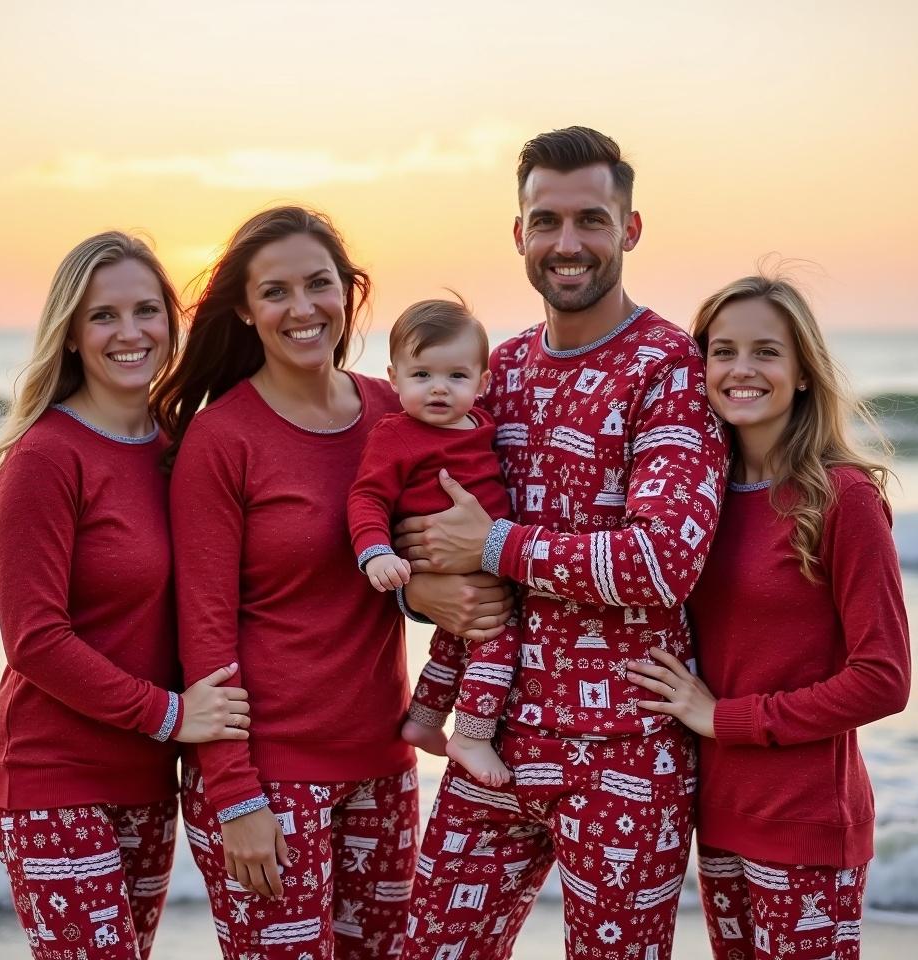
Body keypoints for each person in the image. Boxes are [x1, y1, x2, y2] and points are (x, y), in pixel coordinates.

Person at [396, 127, 730, 959]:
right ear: (519, 234)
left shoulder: (671, 371)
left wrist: (497, 543)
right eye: (546, 221)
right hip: (491, 745)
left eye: (591, 219)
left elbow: (660, 563)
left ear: (631, 228)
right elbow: (423, 524)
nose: (567, 243)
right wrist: (419, 588)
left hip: (627, 756)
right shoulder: (493, 370)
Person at [157, 206, 427, 959]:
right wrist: (235, 796)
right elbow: (204, 631)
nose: (303, 309)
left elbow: (431, 559)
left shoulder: (393, 412)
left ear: (349, 290)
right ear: (244, 309)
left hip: (385, 769)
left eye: (320, 284)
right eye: (276, 292)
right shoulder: (222, 439)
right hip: (268, 783)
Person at [0, 232, 252, 960]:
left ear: (171, 319)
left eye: (146, 311)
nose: (129, 334)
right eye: (103, 316)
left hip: (149, 778)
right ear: (69, 333)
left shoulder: (178, 445)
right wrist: (172, 714)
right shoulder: (44, 458)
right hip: (53, 778)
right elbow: (34, 640)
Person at [625, 274, 911, 959]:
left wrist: (726, 718)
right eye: (722, 352)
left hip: (806, 820)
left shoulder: (843, 499)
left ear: (804, 373)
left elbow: (883, 679)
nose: (741, 370)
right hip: (719, 816)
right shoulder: (697, 502)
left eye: (766, 352)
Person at [347, 296, 517, 787]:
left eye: (456, 377)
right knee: (497, 644)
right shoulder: (396, 434)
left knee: (449, 647)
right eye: (421, 376)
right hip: (442, 561)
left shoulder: (483, 425)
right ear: (394, 378)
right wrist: (375, 552)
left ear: (483, 384)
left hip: (484, 558)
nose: (439, 389)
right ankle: (471, 734)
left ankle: (422, 720)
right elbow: (367, 498)